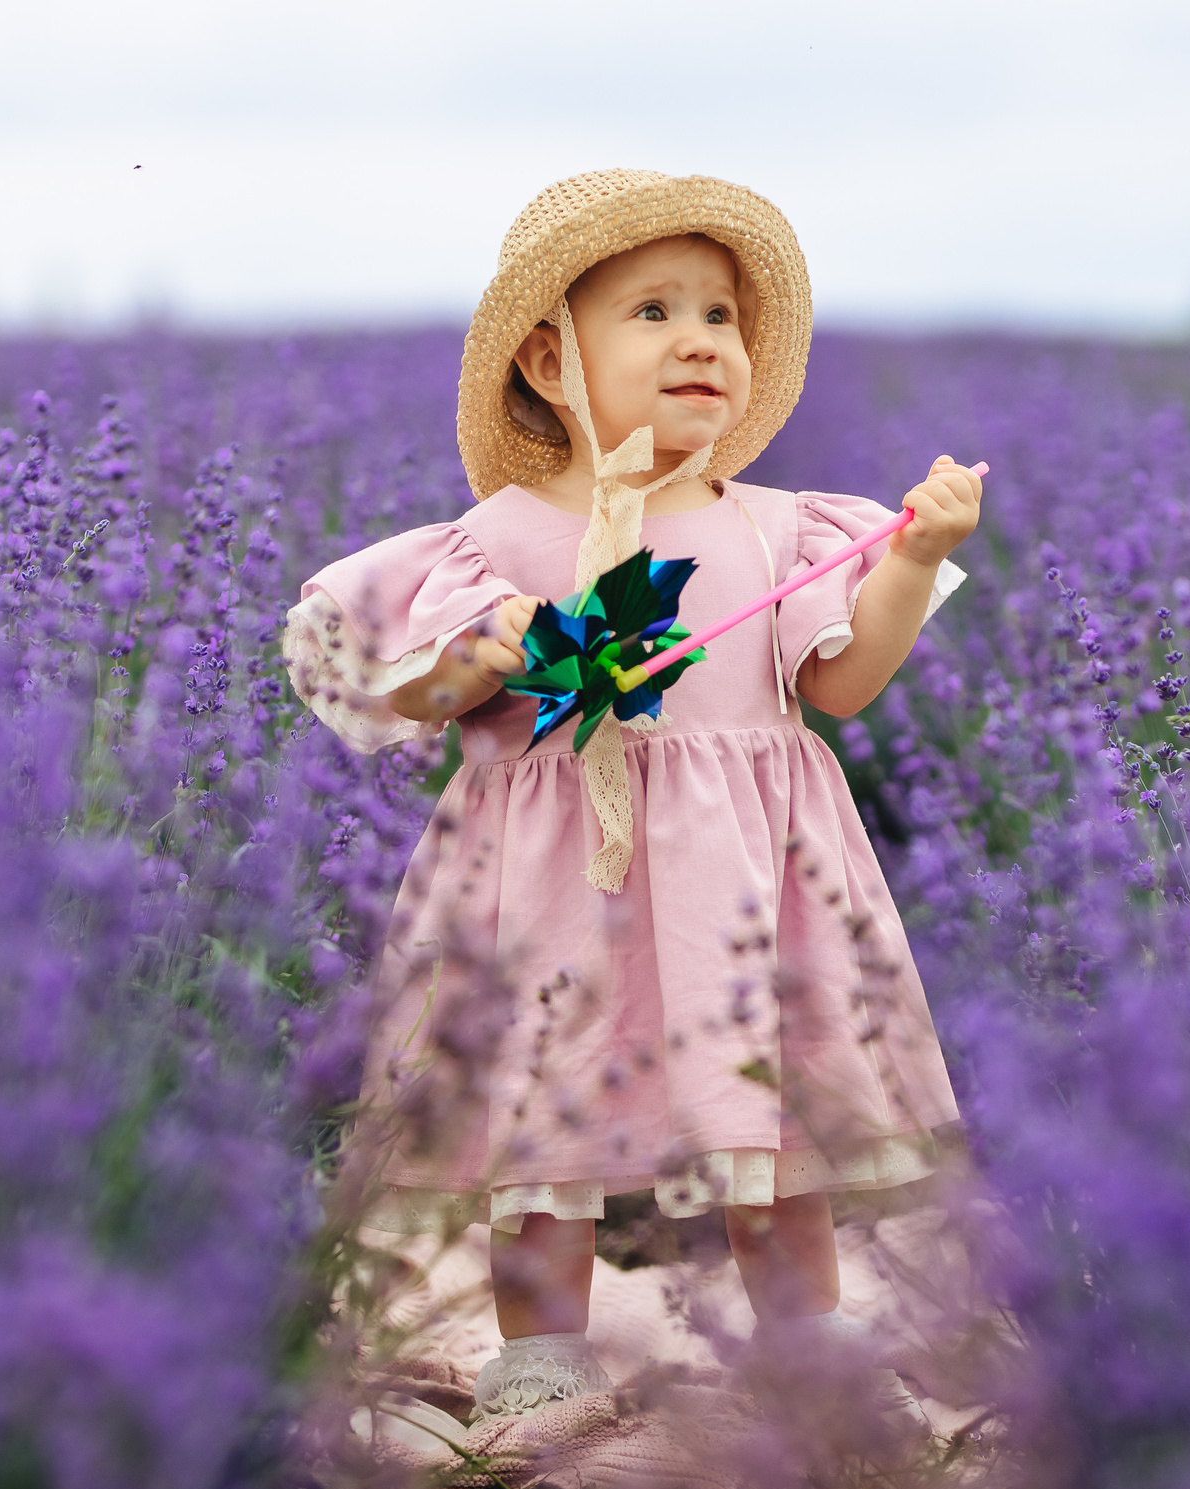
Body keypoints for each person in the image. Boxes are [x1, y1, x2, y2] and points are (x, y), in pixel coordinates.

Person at [284, 169, 981, 1425]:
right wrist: (471, 660)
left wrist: (912, 557)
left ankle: (801, 1339)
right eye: (652, 313)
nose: (700, 341)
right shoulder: (488, 542)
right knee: (536, 1121)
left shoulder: (775, 529)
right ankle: (543, 1348)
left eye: (719, 315)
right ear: (551, 361)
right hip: (550, 882)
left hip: (742, 877)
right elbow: (398, 696)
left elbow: (847, 687)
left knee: (768, 1120)